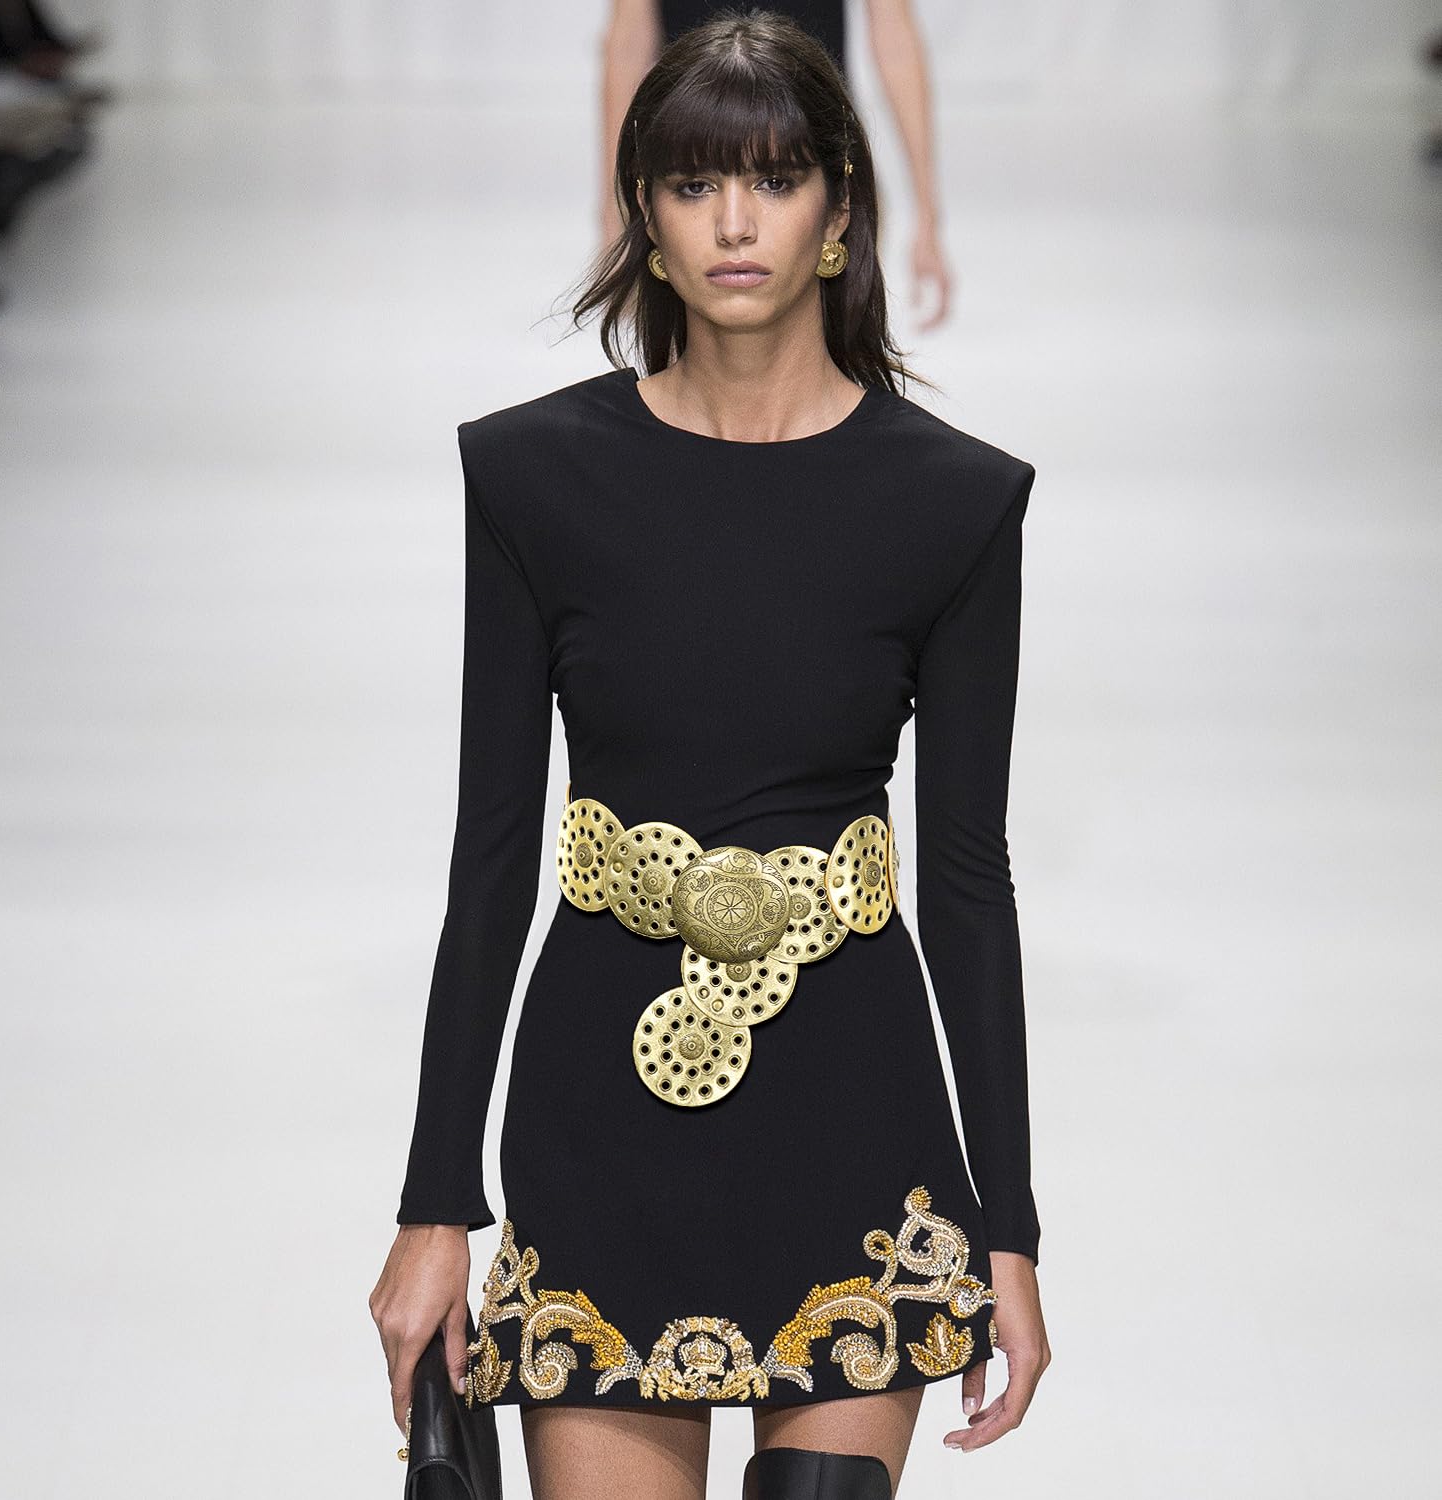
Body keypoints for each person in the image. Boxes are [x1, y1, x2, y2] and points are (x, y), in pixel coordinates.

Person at [371, 11, 1050, 1496]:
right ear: (644, 214)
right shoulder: (533, 477)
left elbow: (966, 878)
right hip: (599, 1112)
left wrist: (1009, 1227)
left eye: (777, 178)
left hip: (854, 1112)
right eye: (693, 183)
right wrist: (435, 1206)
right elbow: (491, 855)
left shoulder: (954, 503)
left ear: (839, 209)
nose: (736, 222)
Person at [599, 0, 959, 327]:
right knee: (693, 351)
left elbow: (894, 37)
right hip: (691, 160)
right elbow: (629, 43)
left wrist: (927, 217)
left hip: (814, 161)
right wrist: (616, 207)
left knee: (825, 342)